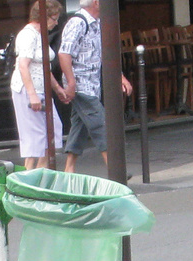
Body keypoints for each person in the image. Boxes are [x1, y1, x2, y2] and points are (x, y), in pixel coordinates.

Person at [56, 0, 132, 175]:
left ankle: (69, 168)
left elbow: (103, 54)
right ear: (96, 3)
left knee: (80, 126)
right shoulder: (77, 23)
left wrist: (120, 77)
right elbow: (64, 53)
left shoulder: (98, 23)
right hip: (81, 86)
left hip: (92, 85)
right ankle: (115, 169)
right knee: (102, 124)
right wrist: (71, 83)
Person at [11, 0, 65, 169]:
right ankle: (29, 178)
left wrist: (57, 89)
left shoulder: (40, 35)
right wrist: (32, 94)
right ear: (43, 16)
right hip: (28, 90)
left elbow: (44, 67)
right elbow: (23, 66)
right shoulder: (28, 35)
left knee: (53, 130)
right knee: (36, 138)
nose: (56, 23)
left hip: (42, 90)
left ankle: (40, 175)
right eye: (54, 19)